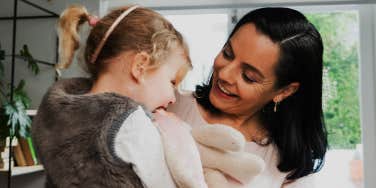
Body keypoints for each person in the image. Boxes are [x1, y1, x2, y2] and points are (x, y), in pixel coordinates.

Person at [31, 5, 204, 188]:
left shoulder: (54, 112)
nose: (173, 98)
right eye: (172, 82)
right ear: (140, 66)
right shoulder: (132, 124)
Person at [166, 7, 328, 187]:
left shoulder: (291, 169)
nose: (225, 74)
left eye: (249, 77)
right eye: (227, 54)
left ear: (284, 91)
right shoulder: (168, 104)